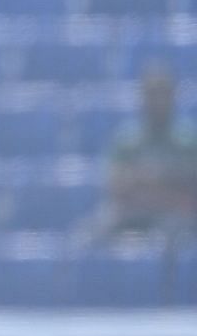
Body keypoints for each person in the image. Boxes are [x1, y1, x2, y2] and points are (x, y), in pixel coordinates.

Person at [83, 68, 197, 240]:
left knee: (176, 234)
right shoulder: (127, 139)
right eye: (152, 95)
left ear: (172, 97)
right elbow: (115, 183)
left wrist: (152, 176)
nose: (158, 102)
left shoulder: (188, 139)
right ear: (143, 98)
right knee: (90, 233)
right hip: (134, 209)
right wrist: (160, 177)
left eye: (163, 94)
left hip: (176, 210)